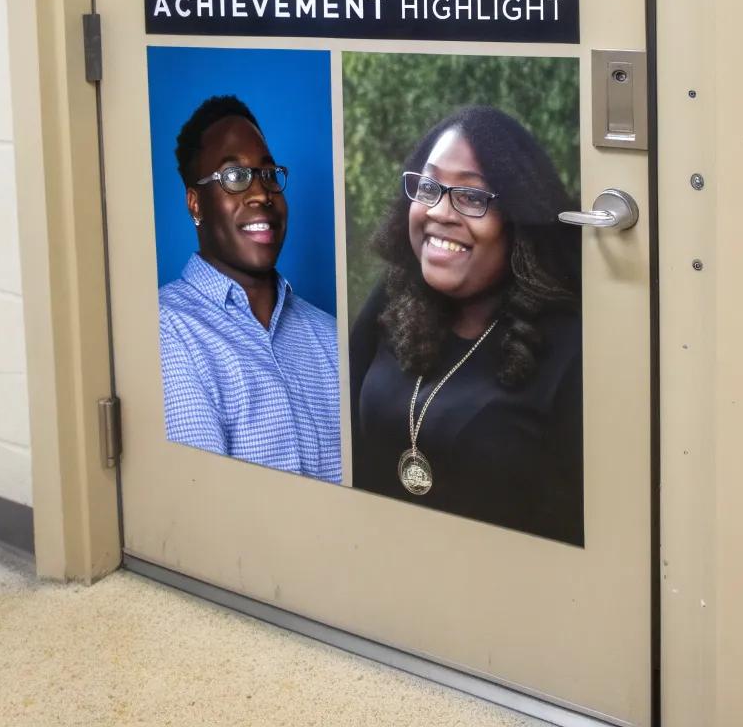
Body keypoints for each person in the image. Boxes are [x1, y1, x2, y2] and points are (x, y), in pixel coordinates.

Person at [349, 105, 583, 542]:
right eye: (429, 185)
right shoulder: (394, 297)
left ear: (519, 220)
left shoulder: (571, 347)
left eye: (473, 197)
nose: (440, 211)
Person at [159, 94, 341, 482]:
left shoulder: (330, 338)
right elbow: (206, 503)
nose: (261, 193)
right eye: (234, 177)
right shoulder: (167, 330)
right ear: (195, 204)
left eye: (268, 174)